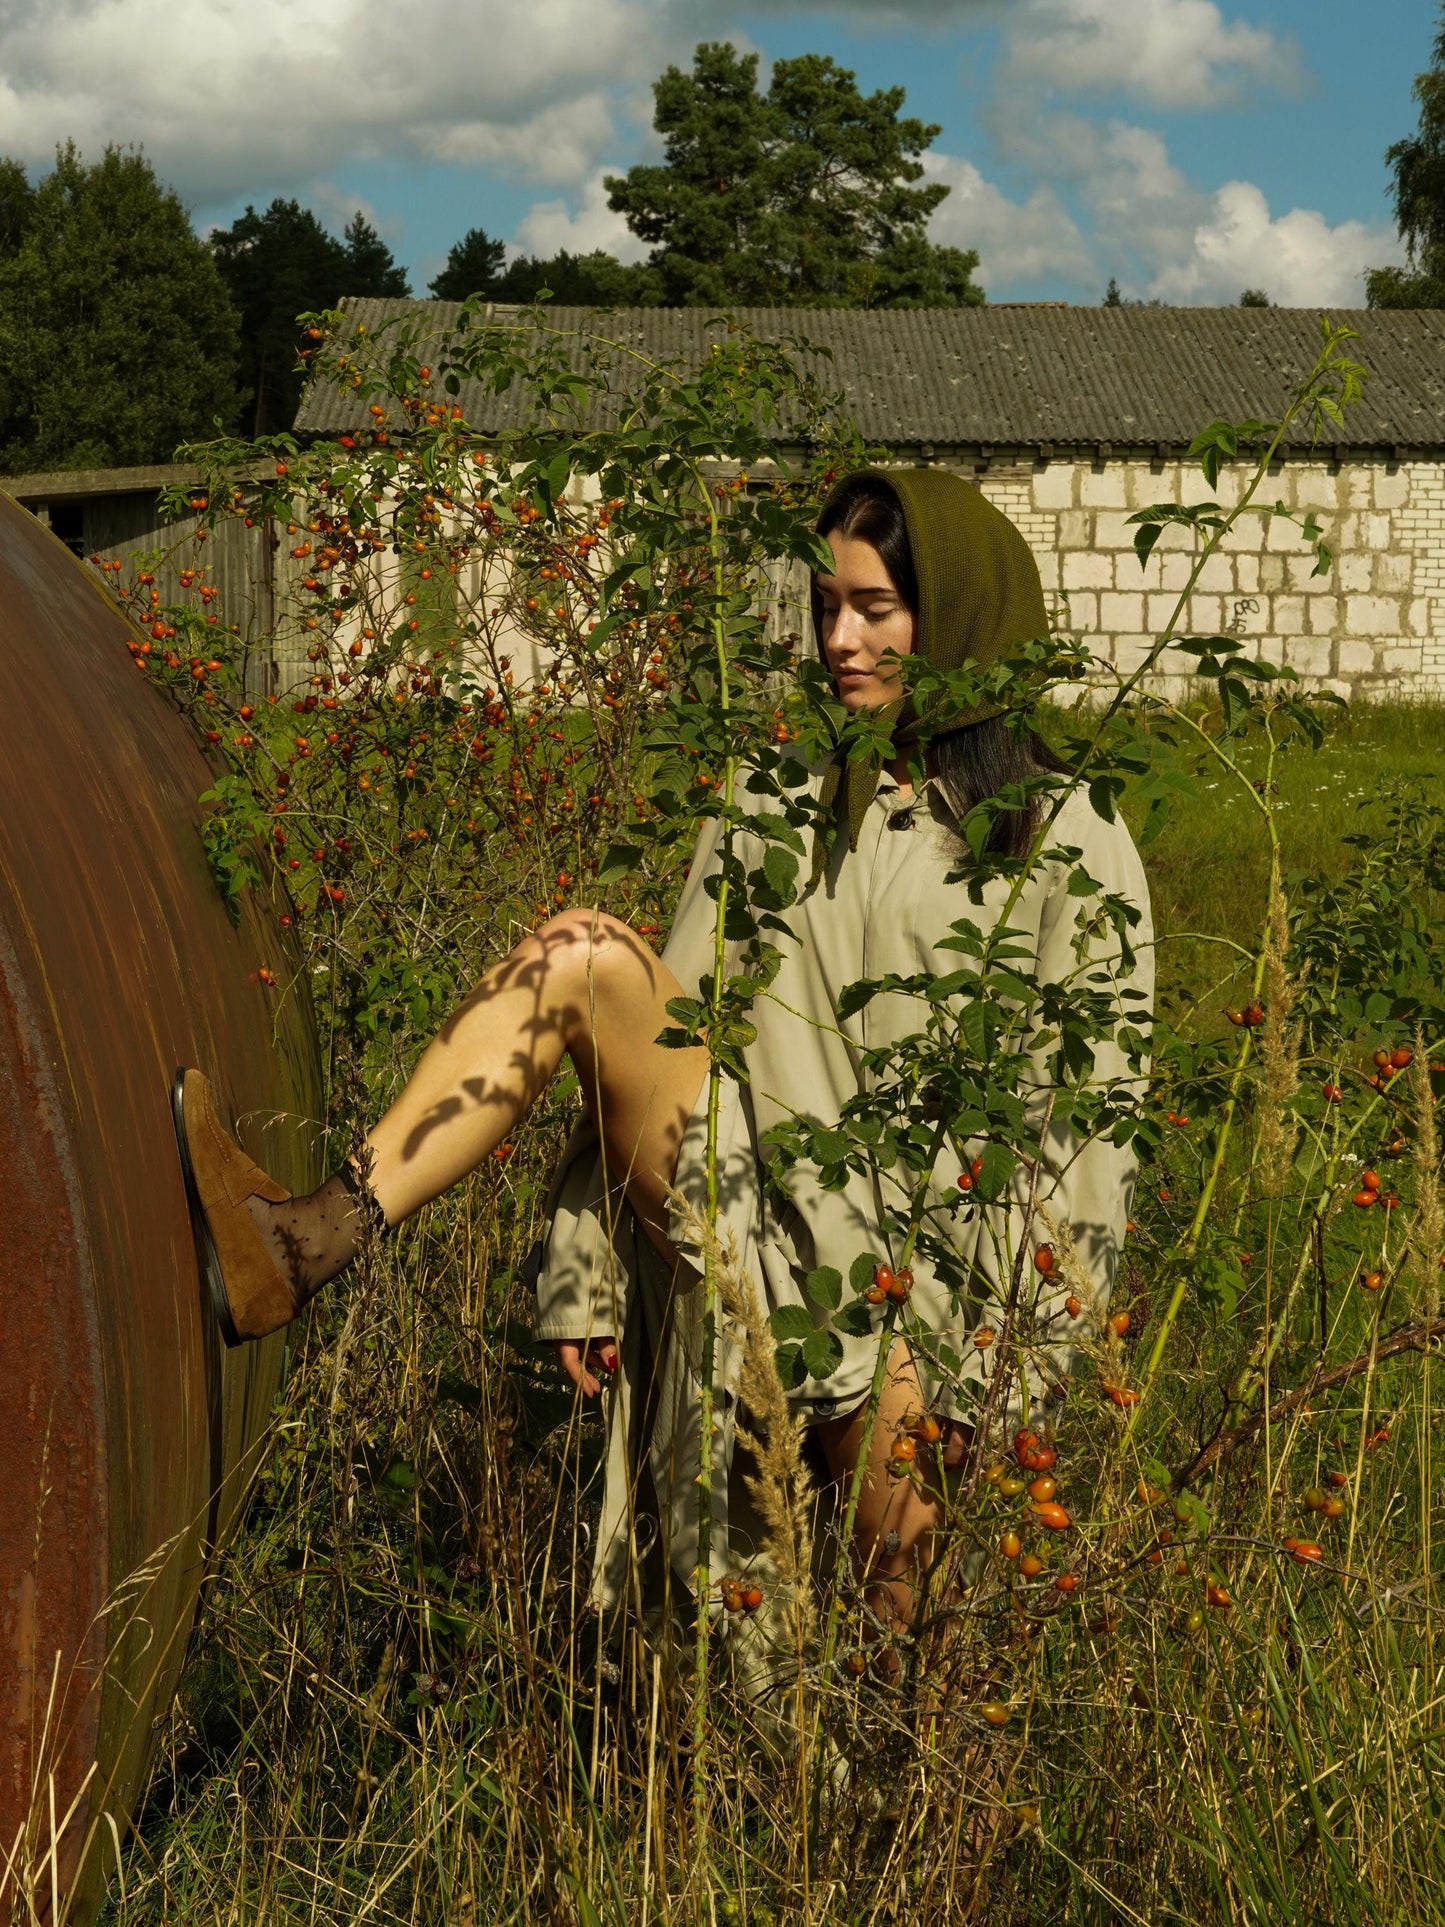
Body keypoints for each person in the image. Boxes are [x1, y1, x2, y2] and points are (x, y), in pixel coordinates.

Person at [175, 466, 1152, 1653]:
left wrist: (1007, 1369)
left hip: (920, 1290)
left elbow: (1086, 1129)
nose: (837, 638)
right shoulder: (777, 797)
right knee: (583, 956)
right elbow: (665, 1027)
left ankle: (865, 1819)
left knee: (912, 1641)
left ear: (959, 617)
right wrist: (586, 1258)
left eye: (874, 608)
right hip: (742, 1195)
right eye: (822, 604)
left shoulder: (1066, 838)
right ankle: (306, 1236)